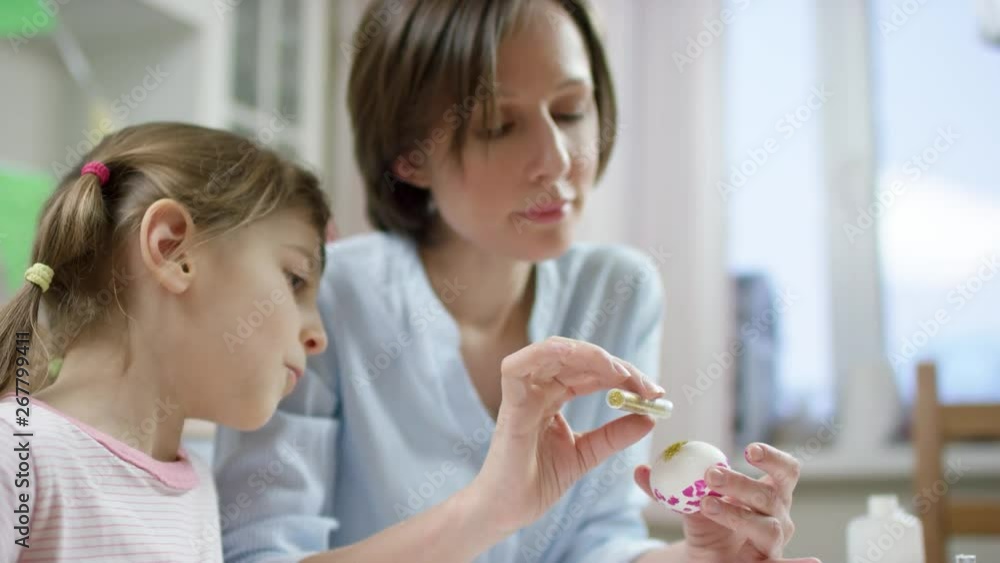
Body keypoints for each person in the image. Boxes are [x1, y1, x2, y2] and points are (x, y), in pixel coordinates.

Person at [214, 1, 819, 562]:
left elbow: (596, 538)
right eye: (499, 125)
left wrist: (694, 559)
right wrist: (484, 515)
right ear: (409, 157)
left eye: (570, 111)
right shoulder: (321, 301)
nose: (556, 159)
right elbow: (261, 554)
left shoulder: (616, 291)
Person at [0, 122, 330, 562]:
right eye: (294, 279)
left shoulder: (195, 485)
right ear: (172, 248)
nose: (319, 338)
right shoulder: (18, 453)